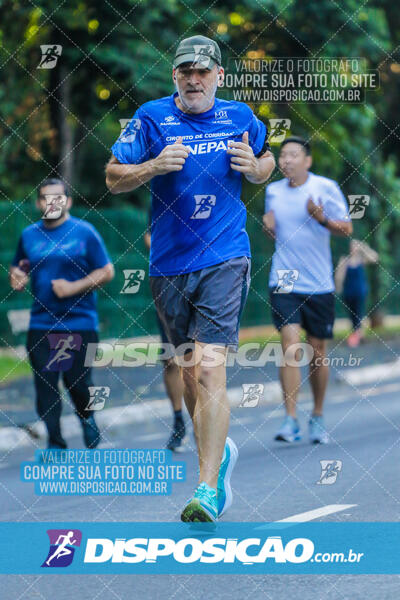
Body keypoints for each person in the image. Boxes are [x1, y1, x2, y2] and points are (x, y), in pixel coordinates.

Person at [106, 35, 275, 521]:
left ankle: (207, 488)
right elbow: (112, 176)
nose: (194, 79)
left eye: (203, 71)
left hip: (225, 257)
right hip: (169, 265)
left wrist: (257, 169)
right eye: (186, 71)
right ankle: (219, 455)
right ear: (175, 76)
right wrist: (153, 165)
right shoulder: (152, 117)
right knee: (186, 375)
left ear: (219, 75)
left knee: (207, 368)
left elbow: (264, 162)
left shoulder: (240, 117)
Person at [9, 179, 114, 450]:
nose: (51, 203)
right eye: (46, 198)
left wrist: (73, 288)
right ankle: (56, 443)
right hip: (42, 322)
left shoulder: (85, 232)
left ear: (68, 201)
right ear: (38, 203)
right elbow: (19, 268)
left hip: (79, 321)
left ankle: (88, 419)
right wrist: (17, 278)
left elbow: (107, 271)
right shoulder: (29, 235)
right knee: (45, 386)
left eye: (57, 198)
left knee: (77, 382)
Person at [263, 136, 352, 444]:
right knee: (289, 345)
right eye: (283, 155)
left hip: (318, 282)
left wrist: (322, 219)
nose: (286, 160)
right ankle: (290, 420)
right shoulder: (272, 191)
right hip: (284, 278)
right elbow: (274, 231)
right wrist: (268, 227)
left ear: (307, 161)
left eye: (293, 155)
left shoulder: (324, 188)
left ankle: (316, 415)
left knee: (317, 352)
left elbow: (347, 228)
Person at [143, 218, 186, 452]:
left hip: (206, 277)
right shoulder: (161, 185)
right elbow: (149, 235)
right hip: (169, 279)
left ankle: (205, 416)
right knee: (170, 359)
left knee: (203, 356)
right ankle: (179, 419)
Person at [335, 239, 378, 347]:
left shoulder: (362, 260)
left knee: (358, 312)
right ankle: (359, 335)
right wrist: (338, 287)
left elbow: (375, 258)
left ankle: (357, 336)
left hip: (360, 291)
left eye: (355, 246)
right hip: (348, 292)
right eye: (352, 246)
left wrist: (363, 247)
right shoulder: (344, 260)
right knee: (352, 314)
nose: (353, 248)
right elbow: (339, 276)